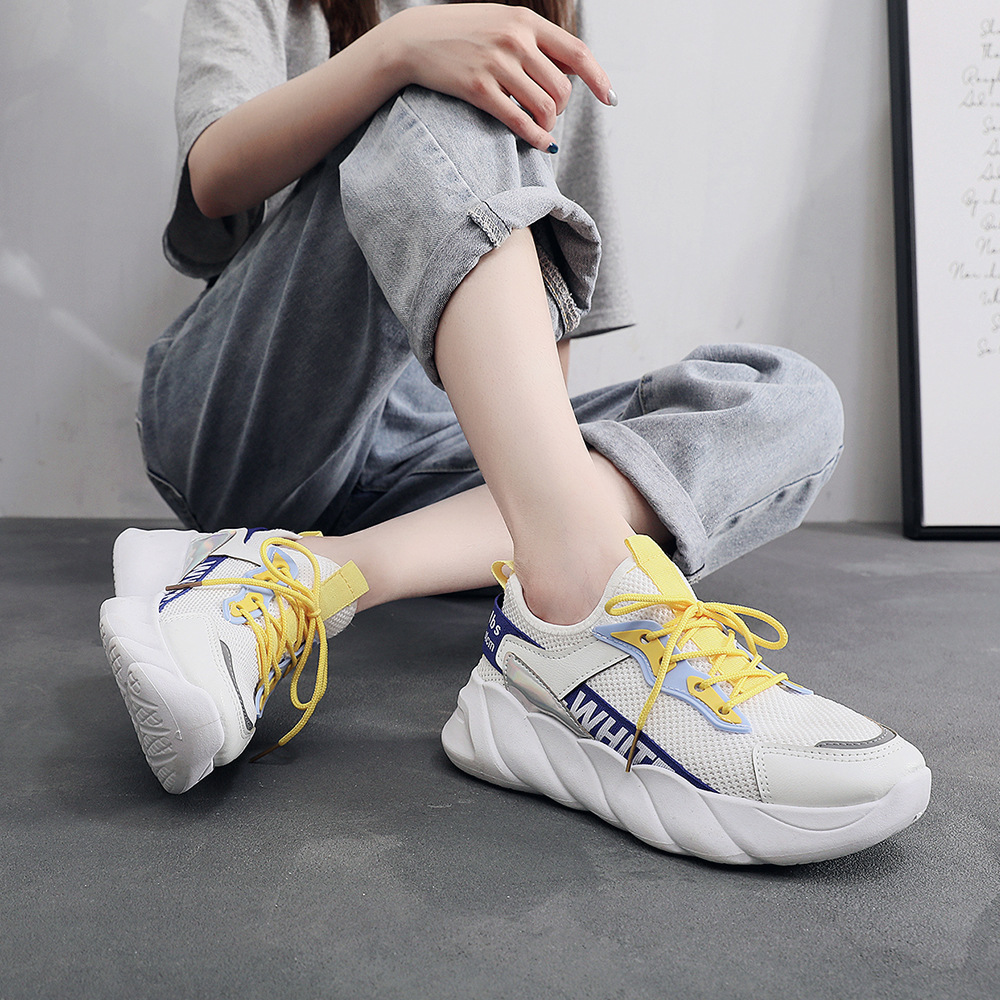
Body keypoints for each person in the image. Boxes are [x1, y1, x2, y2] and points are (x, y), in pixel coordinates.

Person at [100, 0, 930, 865]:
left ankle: (306, 575)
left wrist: (539, 487)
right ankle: (572, 613)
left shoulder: (546, 12)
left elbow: (548, 318)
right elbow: (215, 175)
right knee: (451, 91)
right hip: (255, 416)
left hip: (434, 447)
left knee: (789, 402)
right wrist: (399, 50)